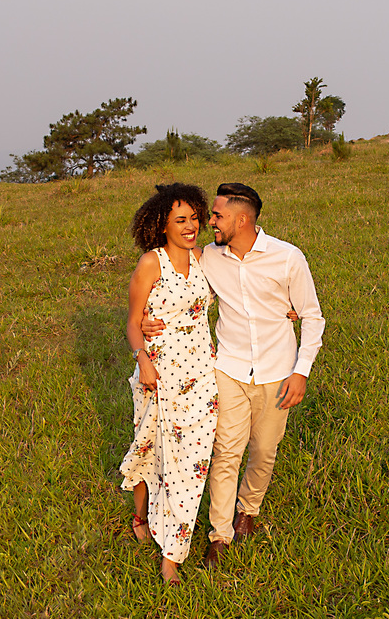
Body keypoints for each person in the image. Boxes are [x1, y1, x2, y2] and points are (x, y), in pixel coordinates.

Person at [144, 182, 325, 570]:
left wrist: (301, 372)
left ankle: (250, 508)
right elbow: (180, 290)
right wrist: (148, 319)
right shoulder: (209, 257)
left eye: (217, 215)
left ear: (242, 220)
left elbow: (311, 316)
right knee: (225, 452)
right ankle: (220, 535)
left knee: (264, 450)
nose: (210, 222)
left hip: (278, 371)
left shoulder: (288, 258)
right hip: (227, 367)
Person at [119, 183, 217, 585]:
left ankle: (171, 557)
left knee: (192, 464)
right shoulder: (150, 264)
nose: (191, 226)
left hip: (202, 378)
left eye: (195, 217)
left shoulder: (202, 258)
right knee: (150, 449)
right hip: (158, 375)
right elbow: (132, 321)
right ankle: (141, 516)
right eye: (181, 220)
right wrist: (142, 358)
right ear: (162, 225)